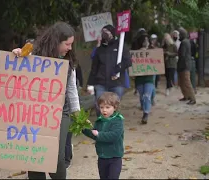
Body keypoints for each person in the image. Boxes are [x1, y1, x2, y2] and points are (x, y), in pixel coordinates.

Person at [12, 21, 80, 179]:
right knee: (35, 157)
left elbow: (71, 89)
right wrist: (17, 54)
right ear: (56, 42)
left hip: (61, 112)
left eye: (71, 44)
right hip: (35, 113)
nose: (70, 48)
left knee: (57, 157)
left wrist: (77, 113)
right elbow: (19, 67)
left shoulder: (69, 61)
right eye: (67, 44)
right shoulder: (34, 55)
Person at [87, 24, 132, 117]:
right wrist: (90, 84)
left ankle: (113, 126)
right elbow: (94, 67)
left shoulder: (121, 46)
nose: (104, 34)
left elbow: (128, 61)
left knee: (114, 107)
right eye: (102, 32)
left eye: (106, 32)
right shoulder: (100, 49)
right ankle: (102, 125)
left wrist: (117, 69)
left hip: (116, 83)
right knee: (100, 106)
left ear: (112, 33)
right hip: (101, 83)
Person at [82, 92, 124, 179]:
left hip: (114, 157)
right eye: (101, 107)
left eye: (107, 107)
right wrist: (84, 128)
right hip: (102, 156)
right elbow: (95, 135)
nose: (104, 110)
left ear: (115, 107)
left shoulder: (118, 121)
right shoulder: (99, 121)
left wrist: (99, 134)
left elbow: (114, 136)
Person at [133, 31, 155, 124]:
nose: (146, 42)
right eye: (144, 40)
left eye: (147, 40)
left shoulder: (153, 52)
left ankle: (146, 114)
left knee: (147, 96)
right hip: (139, 79)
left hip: (149, 78)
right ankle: (144, 107)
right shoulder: (134, 53)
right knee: (142, 96)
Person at [177, 27, 196, 105]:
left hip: (184, 65)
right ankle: (186, 96)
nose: (178, 36)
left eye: (179, 35)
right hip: (183, 65)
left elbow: (182, 55)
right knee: (182, 82)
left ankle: (193, 99)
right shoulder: (186, 41)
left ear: (182, 35)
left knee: (187, 82)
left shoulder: (184, 42)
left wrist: (174, 54)